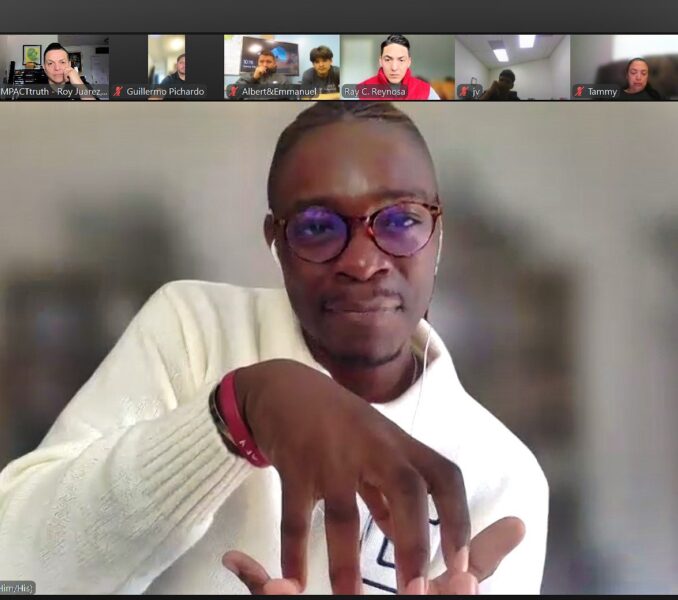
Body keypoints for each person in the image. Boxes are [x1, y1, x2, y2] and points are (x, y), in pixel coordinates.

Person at [0, 101, 548, 595]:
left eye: (401, 220)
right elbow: (17, 567)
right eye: (317, 227)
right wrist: (237, 412)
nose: (363, 263)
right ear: (276, 243)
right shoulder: (193, 330)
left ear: (437, 233)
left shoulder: (503, 478)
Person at [358, 35, 440, 100]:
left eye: (401, 60)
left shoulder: (427, 92)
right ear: (380, 61)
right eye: (388, 60)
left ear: (409, 62)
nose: (394, 68)